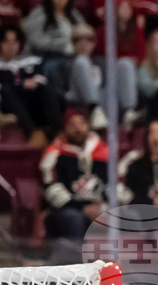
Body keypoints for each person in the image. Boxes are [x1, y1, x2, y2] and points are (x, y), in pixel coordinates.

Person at [39, 109, 109, 262]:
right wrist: (83, 207)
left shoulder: (102, 151)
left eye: (82, 123)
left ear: (88, 125)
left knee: (128, 216)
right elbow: (53, 192)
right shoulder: (55, 154)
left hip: (100, 206)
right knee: (73, 217)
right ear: (65, 128)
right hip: (67, 209)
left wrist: (105, 206)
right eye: (73, 124)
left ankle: (129, 272)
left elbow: (113, 184)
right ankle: (78, 270)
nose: (78, 129)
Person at [67, 23, 140, 131]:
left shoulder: (100, 62)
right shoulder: (65, 64)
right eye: (78, 39)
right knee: (81, 61)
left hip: (107, 106)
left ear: (94, 43)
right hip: (82, 108)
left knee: (125, 63)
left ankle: (129, 112)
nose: (84, 43)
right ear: (72, 43)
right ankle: (94, 109)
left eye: (88, 39)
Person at [0, 22, 63, 145]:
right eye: (6, 42)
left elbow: (41, 79)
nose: (11, 46)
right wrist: (21, 84)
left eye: (14, 42)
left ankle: (58, 133)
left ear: (20, 44)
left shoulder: (31, 61)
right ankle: (33, 133)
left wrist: (33, 83)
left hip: (32, 101)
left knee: (46, 90)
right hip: (11, 104)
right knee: (6, 90)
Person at [21, 0, 86, 92]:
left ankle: (92, 104)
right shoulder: (39, 13)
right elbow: (36, 41)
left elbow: (85, 35)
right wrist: (63, 43)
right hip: (45, 59)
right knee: (62, 65)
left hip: (71, 58)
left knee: (96, 63)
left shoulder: (74, 15)